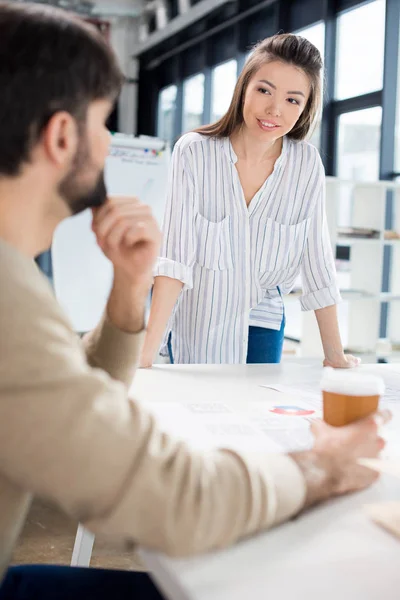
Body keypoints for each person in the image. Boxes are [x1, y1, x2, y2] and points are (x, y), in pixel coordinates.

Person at [0, 4, 386, 599]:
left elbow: (72, 398)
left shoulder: (17, 292)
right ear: (60, 137)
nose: (111, 146)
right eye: (104, 123)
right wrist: (318, 468)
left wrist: (128, 294)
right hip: (197, 323)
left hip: (257, 310)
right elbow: (163, 494)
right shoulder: (15, 306)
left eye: (294, 99)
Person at [140, 34, 359, 367]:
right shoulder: (193, 152)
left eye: (292, 100)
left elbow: (318, 262)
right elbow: (174, 261)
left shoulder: (306, 164)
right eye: (264, 90)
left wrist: (335, 356)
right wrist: (145, 355)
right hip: (196, 322)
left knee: (254, 416)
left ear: (304, 109)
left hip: (262, 325)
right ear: (244, 87)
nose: (274, 109)